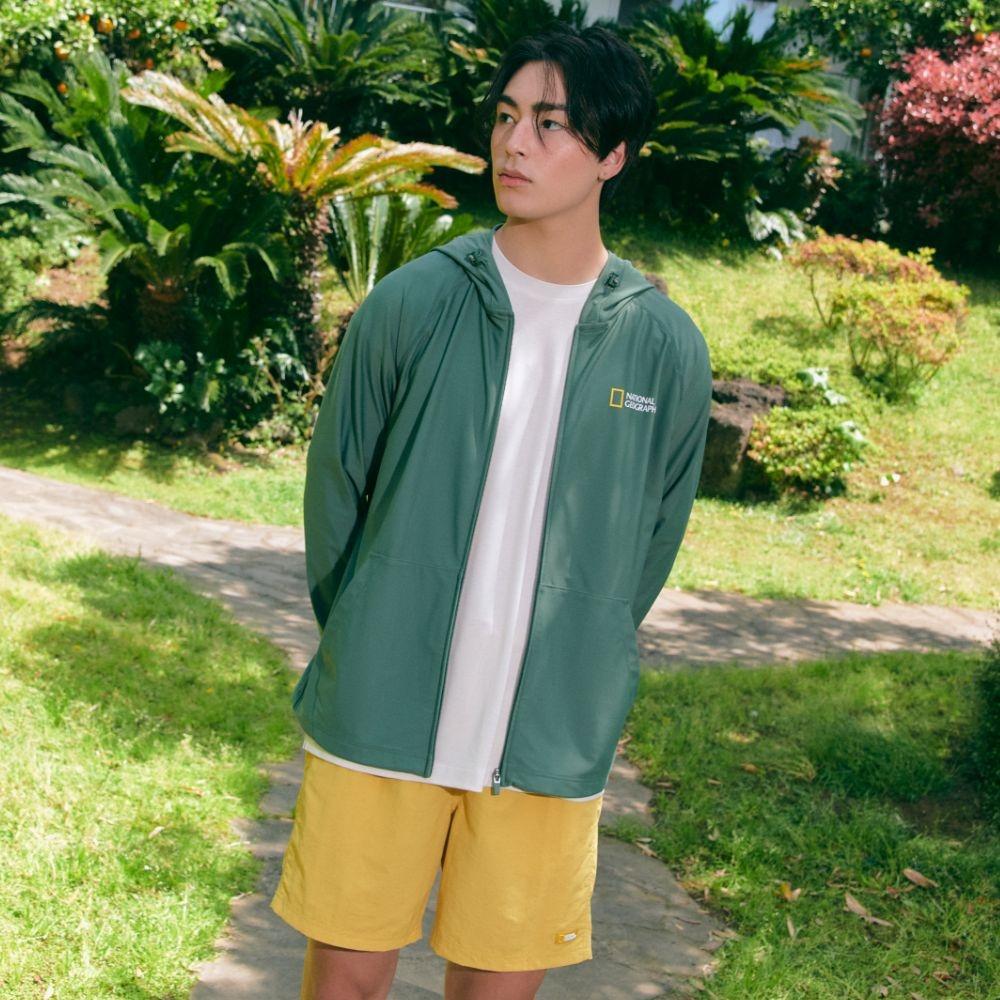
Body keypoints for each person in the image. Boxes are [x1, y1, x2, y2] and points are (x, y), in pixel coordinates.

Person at [271, 19, 713, 1000]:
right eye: (506, 116)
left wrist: (585, 642)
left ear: (613, 154)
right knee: (345, 978)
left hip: (552, 726)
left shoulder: (663, 346)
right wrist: (373, 629)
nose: (514, 143)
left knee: (499, 988)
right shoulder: (414, 303)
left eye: (550, 124)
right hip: (381, 703)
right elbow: (336, 498)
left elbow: (651, 541)